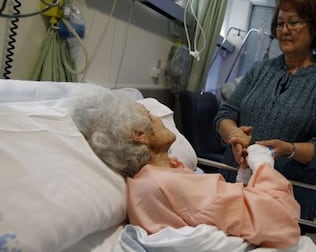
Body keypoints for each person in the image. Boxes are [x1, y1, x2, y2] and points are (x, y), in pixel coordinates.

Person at [70, 92, 300, 249]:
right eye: (149, 116)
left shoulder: (152, 178)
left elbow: (219, 213)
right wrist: (262, 163)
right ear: (139, 135)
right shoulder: (171, 184)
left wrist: (245, 175)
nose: (158, 119)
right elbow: (281, 220)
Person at [214, 0, 316, 234]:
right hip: (234, 187)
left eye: (293, 22)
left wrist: (288, 149)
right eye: (279, 23)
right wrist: (233, 134)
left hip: (286, 199)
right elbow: (226, 112)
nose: (284, 30)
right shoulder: (260, 70)